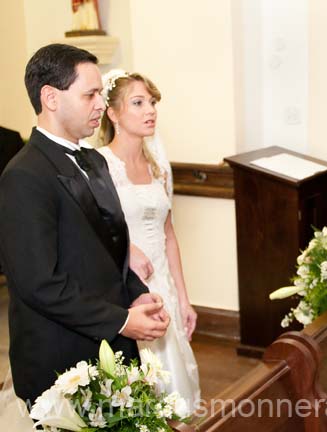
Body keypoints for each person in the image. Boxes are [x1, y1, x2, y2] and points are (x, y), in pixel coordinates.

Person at [0, 43, 169, 409]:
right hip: (63, 359)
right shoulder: (23, 176)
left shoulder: (94, 160)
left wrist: (135, 291)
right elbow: (39, 284)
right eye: (90, 94)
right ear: (51, 98)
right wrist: (122, 320)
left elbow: (112, 243)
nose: (100, 105)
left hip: (110, 347)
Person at [96, 69, 200, 409]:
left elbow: (170, 236)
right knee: (138, 386)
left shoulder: (159, 168)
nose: (150, 110)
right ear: (112, 113)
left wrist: (183, 299)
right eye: (138, 103)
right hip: (125, 286)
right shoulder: (100, 166)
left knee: (175, 391)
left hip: (163, 282)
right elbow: (91, 233)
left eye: (152, 102)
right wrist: (127, 250)